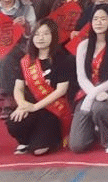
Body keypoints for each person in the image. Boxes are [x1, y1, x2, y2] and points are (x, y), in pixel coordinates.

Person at [6, 18, 73, 156]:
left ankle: (48, 139)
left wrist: (35, 107)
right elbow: (18, 88)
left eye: (45, 34)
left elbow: (61, 90)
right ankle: (26, 141)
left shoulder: (62, 59)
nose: (40, 38)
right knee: (14, 122)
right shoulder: (26, 60)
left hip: (52, 109)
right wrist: (22, 104)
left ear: (53, 36)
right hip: (31, 105)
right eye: (37, 34)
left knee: (38, 150)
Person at [69, 4, 108, 154]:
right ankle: (95, 129)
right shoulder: (83, 46)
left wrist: (92, 97)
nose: (99, 22)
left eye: (103, 19)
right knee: (77, 146)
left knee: (98, 108)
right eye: (95, 19)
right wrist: (92, 95)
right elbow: (81, 78)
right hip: (87, 90)